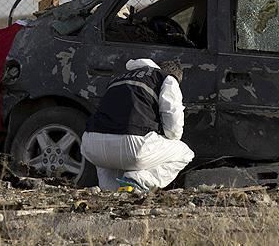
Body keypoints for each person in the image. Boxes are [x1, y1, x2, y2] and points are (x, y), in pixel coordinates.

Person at [81, 58, 194, 192]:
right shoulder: (167, 79)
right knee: (184, 152)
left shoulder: (118, 78)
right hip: (132, 146)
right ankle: (138, 179)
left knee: (111, 144)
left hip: (92, 146)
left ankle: (109, 190)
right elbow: (173, 130)